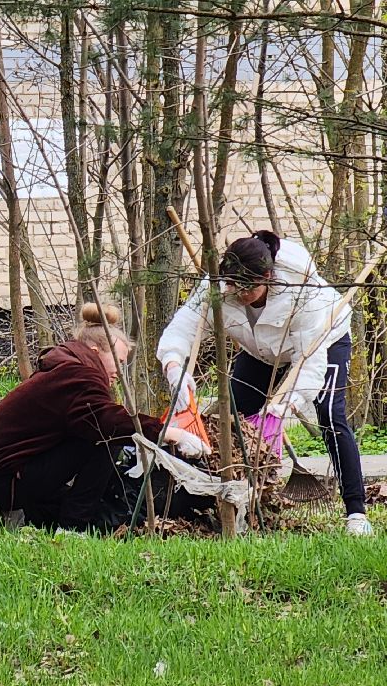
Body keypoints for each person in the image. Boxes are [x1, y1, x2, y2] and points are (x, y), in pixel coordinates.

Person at [157, 229, 372, 536]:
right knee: (231, 414)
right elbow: (183, 328)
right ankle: (227, 501)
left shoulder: (302, 288)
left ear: (268, 277)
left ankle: (356, 513)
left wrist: (286, 404)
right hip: (260, 349)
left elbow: (309, 360)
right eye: (234, 286)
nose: (240, 293)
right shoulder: (217, 285)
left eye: (248, 287)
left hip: (323, 340)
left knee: (330, 415)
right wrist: (174, 366)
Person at [0, 303, 207, 533]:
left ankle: (25, 515)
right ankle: (72, 528)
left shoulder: (64, 368)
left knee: (87, 505)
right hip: (4, 481)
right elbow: (107, 422)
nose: (120, 372)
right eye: (119, 362)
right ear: (95, 352)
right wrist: (167, 432)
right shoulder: (79, 375)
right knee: (105, 438)